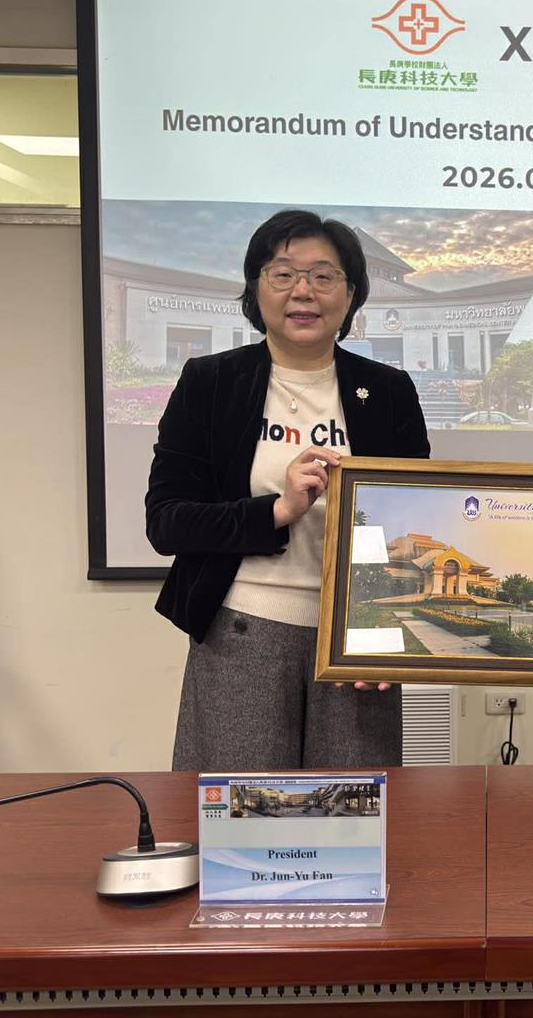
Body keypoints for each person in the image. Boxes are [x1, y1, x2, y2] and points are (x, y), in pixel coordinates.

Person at [146, 209, 430, 771]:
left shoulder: (389, 390)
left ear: (351, 294)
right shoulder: (211, 383)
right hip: (242, 629)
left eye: (324, 276)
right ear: (256, 289)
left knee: (354, 809)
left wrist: (385, 632)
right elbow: (167, 522)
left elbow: (413, 516)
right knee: (243, 810)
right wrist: (278, 509)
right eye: (283, 274)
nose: (304, 291)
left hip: (355, 642)